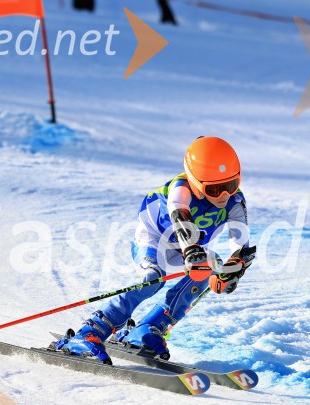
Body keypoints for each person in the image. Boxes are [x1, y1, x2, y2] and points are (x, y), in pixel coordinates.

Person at [55, 136, 253, 364]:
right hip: (154, 240)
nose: (224, 195)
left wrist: (231, 272)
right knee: (153, 279)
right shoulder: (181, 189)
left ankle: (149, 328)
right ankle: (91, 330)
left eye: (231, 185)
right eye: (215, 189)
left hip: (189, 248)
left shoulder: (235, 201)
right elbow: (180, 215)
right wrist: (191, 251)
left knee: (209, 268)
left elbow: (241, 244)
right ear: (195, 180)